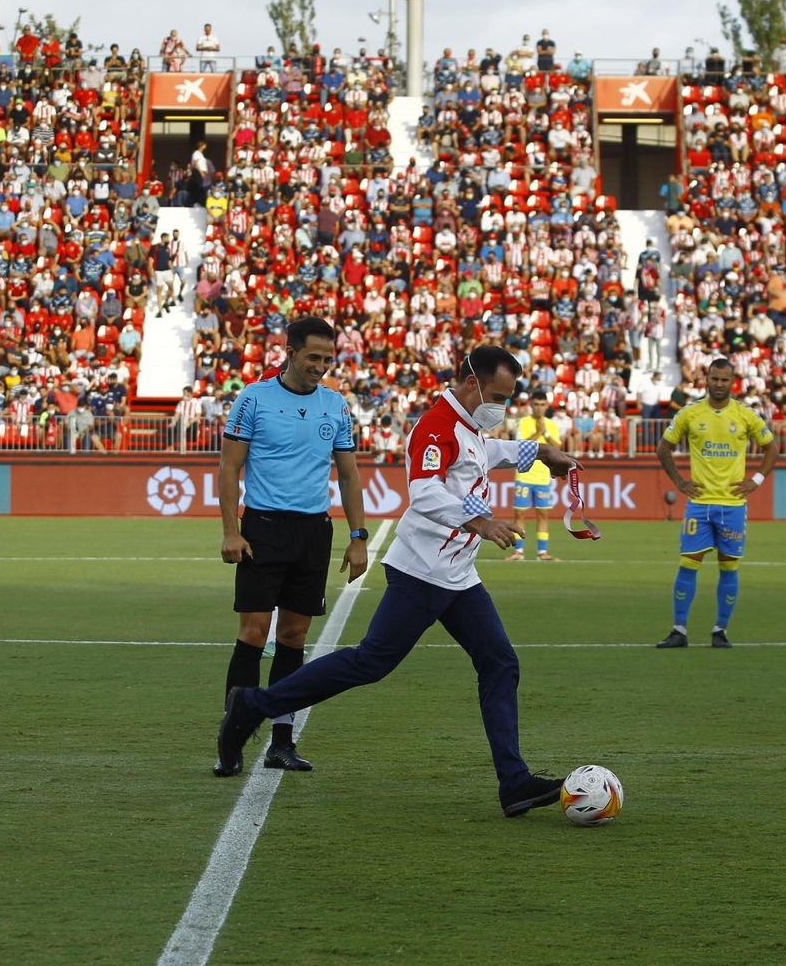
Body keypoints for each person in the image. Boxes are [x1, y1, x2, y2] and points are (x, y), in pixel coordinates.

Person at [215, 345, 578, 818]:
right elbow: (424, 492)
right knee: (371, 662)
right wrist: (481, 522)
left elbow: (487, 453)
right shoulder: (435, 426)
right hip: (422, 571)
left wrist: (540, 452)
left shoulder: (468, 425)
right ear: (472, 383)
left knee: (499, 662)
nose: (501, 407)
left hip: (457, 574)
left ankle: (514, 783)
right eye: (497, 397)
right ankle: (253, 705)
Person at [216, 318, 369, 774]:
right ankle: (232, 739)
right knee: (253, 633)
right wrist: (230, 530)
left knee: (293, 637)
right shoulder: (254, 398)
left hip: (313, 533)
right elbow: (229, 468)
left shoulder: (335, 405)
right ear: (290, 353)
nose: (320, 366)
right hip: (262, 529)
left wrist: (358, 537)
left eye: (327, 359)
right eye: (312, 357)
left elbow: (348, 475)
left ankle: (281, 743)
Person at [654, 358, 778, 649]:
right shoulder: (690, 413)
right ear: (706, 379)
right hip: (699, 503)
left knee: (729, 566)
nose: (719, 384)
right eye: (714, 378)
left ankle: (720, 630)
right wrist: (680, 482)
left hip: (733, 504)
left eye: (724, 379)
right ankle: (679, 630)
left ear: (732, 382)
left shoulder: (746, 415)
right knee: (688, 563)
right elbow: (663, 448)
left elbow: (772, 448)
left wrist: (756, 480)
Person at [505, 390, 562, 561]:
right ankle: (518, 551)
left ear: (547, 406)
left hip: (543, 477)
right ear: (531, 405)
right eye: (536, 404)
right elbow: (520, 445)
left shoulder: (552, 425)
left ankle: (542, 552)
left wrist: (545, 433)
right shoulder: (523, 422)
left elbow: (558, 447)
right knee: (520, 514)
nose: (539, 408)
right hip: (524, 475)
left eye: (542, 405)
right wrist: (538, 432)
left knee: (543, 514)